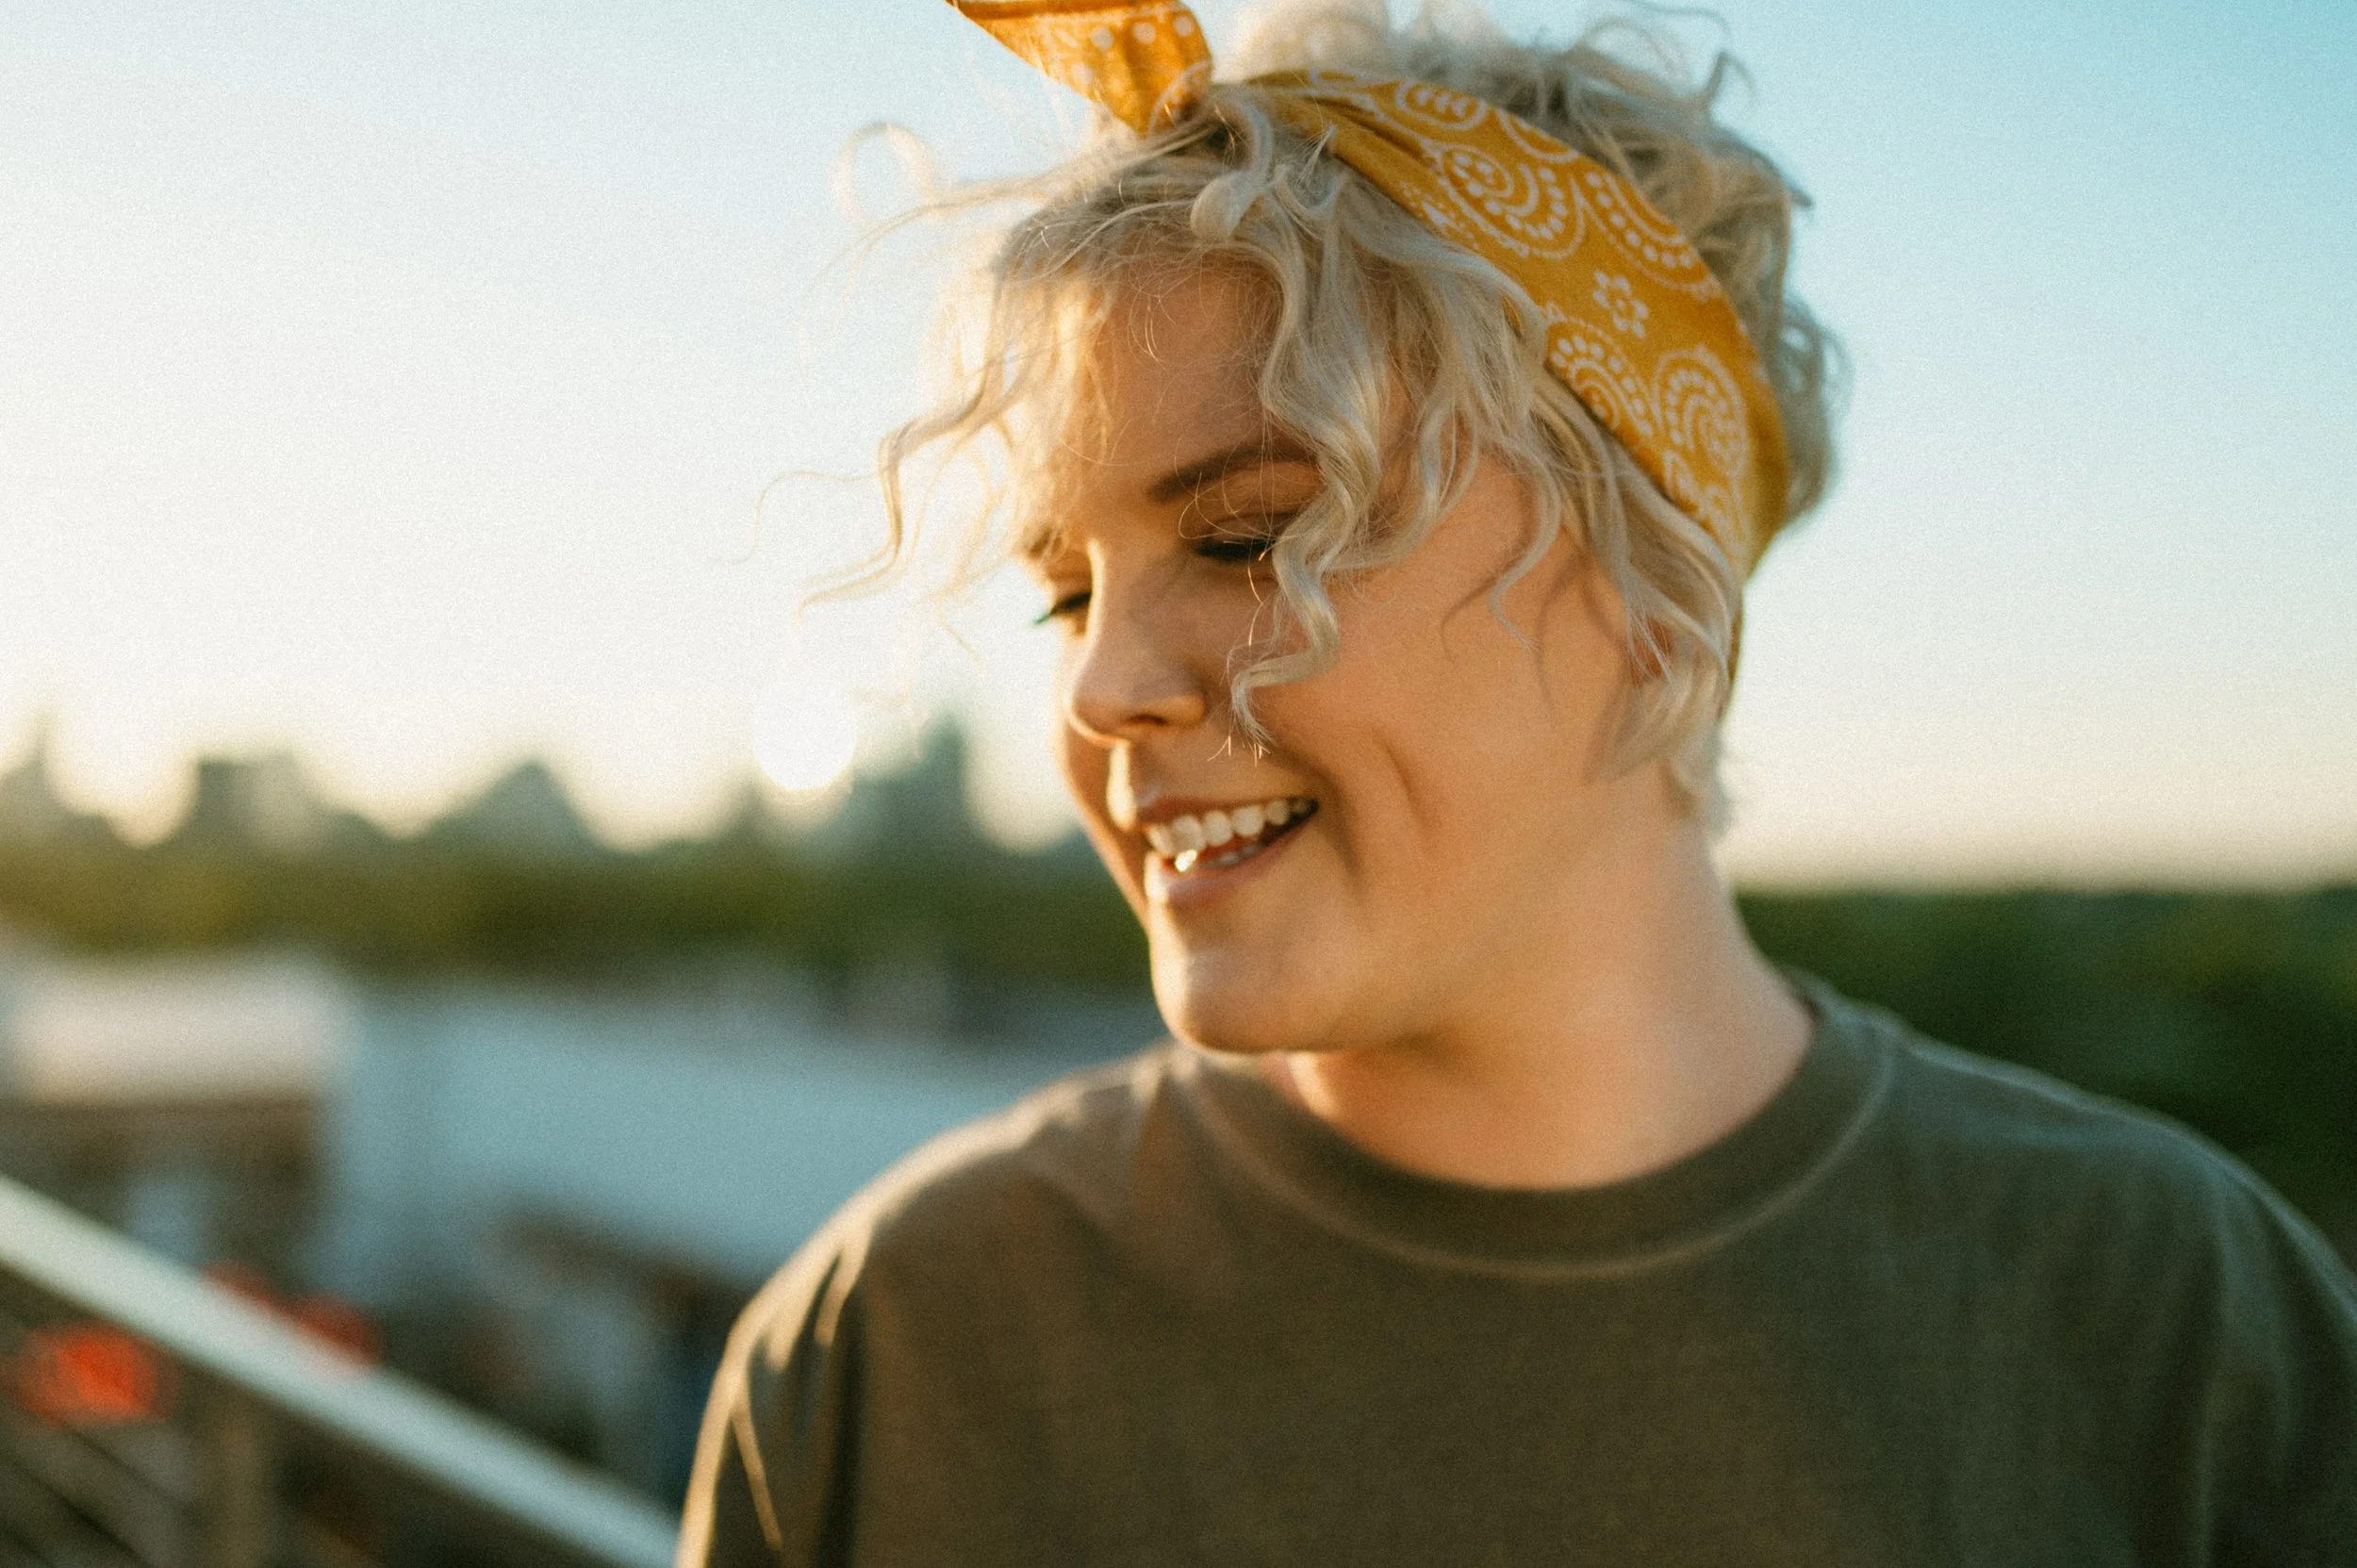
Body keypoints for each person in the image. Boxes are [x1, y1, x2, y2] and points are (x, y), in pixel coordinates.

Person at [680, 3, 2357, 1561]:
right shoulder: (898, 1351)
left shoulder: (2183, 1332)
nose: (1104, 686)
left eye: (1256, 535)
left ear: (1649, 584)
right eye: (1067, 588)